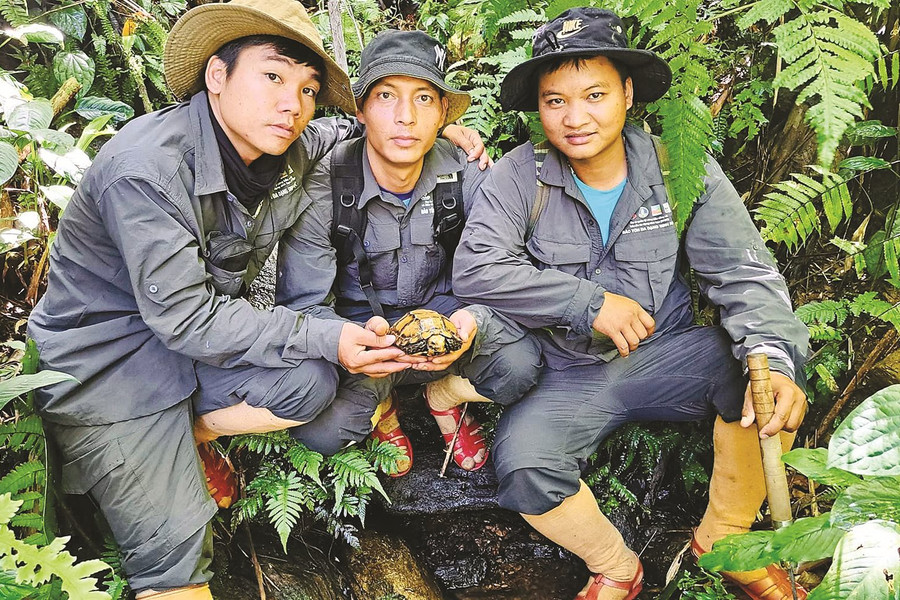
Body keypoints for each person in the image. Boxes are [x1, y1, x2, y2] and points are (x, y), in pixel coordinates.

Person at [26, 1, 488, 597]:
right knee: (176, 563)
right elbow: (188, 318)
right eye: (272, 76)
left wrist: (435, 126)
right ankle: (152, 449)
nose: (291, 103)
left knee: (310, 383)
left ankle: (196, 432)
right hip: (114, 365)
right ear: (217, 77)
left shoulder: (289, 146)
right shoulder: (146, 170)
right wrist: (331, 335)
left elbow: (360, 127)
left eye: (307, 87)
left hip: (194, 345)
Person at [453, 8, 810, 600]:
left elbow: (743, 273)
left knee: (766, 378)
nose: (575, 118)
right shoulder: (521, 175)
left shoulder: (677, 168)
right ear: (538, 109)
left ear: (627, 92)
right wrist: (587, 302)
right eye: (554, 101)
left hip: (666, 354)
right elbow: (477, 269)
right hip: (563, 371)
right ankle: (616, 566)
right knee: (524, 468)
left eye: (594, 94)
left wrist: (773, 351)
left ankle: (724, 542)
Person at [276, 30, 542, 475]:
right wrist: (350, 344)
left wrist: (473, 324)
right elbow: (304, 305)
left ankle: (445, 397)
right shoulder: (324, 186)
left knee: (522, 365)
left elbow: (505, 269)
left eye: (423, 99)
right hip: (366, 335)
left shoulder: (467, 174)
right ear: (360, 110)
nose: (405, 117)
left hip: (448, 325)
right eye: (385, 96)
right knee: (319, 432)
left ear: (441, 113)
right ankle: (384, 407)